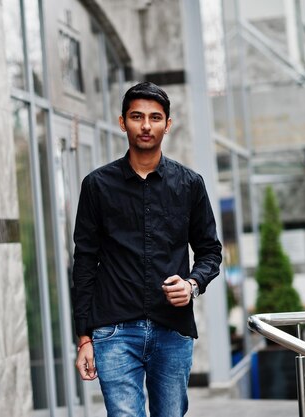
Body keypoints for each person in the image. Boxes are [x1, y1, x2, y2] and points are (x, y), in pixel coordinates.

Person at [72, 82, 222, 417]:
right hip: (114, 332)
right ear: (123, 122)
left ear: (167, 125)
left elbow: (210, 251)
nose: (145, 125)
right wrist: (83, 338)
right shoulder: (97, 186)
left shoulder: (189, 184)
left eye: (155, 118)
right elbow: (84, 262)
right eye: (137, 116)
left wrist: (192, 284)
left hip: (172, 329)